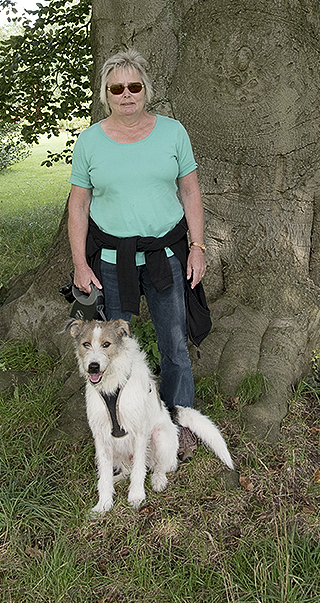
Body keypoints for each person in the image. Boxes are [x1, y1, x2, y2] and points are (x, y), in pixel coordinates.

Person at [68, 48, 207, 460]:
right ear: (105, 94)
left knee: (174, 346)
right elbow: (78, 205)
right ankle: (120, 429)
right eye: (117, 88)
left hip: (165, 254)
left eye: (134, 86)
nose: (126, 94)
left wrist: (197, 248)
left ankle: (178, 425)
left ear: (146, 90)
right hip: (112, 260)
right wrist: (80, 262)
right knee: (111, 350)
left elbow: (190, 190)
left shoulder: (172, 132)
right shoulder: (90, 141)